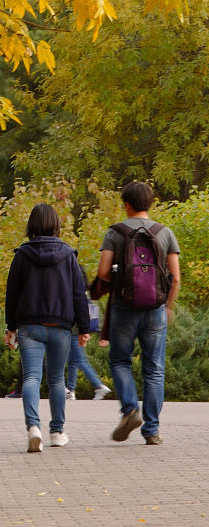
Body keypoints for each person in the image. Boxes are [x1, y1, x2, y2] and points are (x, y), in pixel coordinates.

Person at [95, 180, 180, 445]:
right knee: (154, 369)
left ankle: (131, 410)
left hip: (124, 306)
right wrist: (168, 306)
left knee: (120, 361)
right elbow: (176, 277)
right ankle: (152, 431)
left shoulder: (115, 232)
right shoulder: (165, 233)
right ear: (150, 203)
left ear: (127, 205)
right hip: (156, 308)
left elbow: (103, 272)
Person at [5, 202, 91, 452]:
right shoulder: (68, 255)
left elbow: (12, 293)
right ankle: (57, 432)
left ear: (31, 225)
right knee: (56, 379)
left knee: (32, 377)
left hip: (29, 326)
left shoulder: (22, 255)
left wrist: (11, 327)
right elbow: (78, 294)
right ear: (56, 224)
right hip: (60, 326)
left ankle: (34, 428)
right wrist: (84, 327)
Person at [66, 264, 111, 400]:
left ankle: (99, 386)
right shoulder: (84, 291)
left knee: (80, 359)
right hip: (81, 329)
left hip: (74, 330)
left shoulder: (72, 292)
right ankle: (70, 390)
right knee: (73, 361)